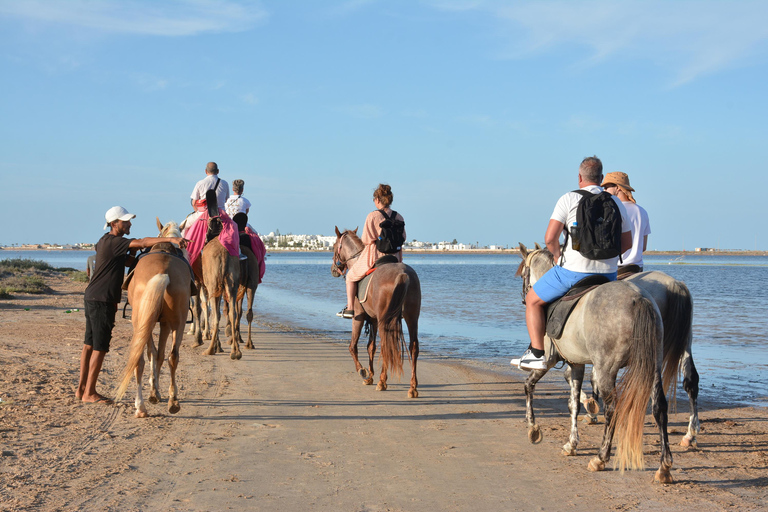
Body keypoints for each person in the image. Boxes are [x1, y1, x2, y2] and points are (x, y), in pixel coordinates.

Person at [511, 156, 632, 370]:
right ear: (601, 178)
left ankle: (537, 353)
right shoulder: (616, 202)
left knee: (532, 299)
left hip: (573, 272)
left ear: (579, 177)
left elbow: (549, 238)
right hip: (609, 275)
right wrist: (608, 260)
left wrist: (558, 256)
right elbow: (627, 243)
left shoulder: (568, 199)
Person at [76, 206, 188, 404]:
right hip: (103, 299)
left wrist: (143, 253)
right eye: (126, 221)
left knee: (88, 345)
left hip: (93, 297)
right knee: (100, 347)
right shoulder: (116, 241)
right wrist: (171, 239)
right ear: (114, 224)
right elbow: (143, 241)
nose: (129, 224)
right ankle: (90, 393)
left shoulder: (104, 241)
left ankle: (81, 389)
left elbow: (129, 260)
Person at [337, 184, 405, 319]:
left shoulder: (373, 216)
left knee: (350, 277)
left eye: (374, 199)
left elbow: (367, 240)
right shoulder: (399, 217)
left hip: (376, 256)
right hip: (396, 258)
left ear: (378, 200)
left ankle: (350, 308)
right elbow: (403, 238)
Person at [601, 172, 651, 273]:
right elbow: (644, 247)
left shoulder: (611, 210)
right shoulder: (642, 211)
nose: (604, 190)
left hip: (617, 268)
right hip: (637, 268)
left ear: (618, 188)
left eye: (606, 187)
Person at [182, 162, 230, 238]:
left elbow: (194, 203)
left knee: (183, 226)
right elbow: (226, 199)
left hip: (203, 214)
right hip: (221, 214)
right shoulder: (225, 183)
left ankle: (183, 248)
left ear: (206, 171)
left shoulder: (200, 183)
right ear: (218, 171)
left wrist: (196, 212)